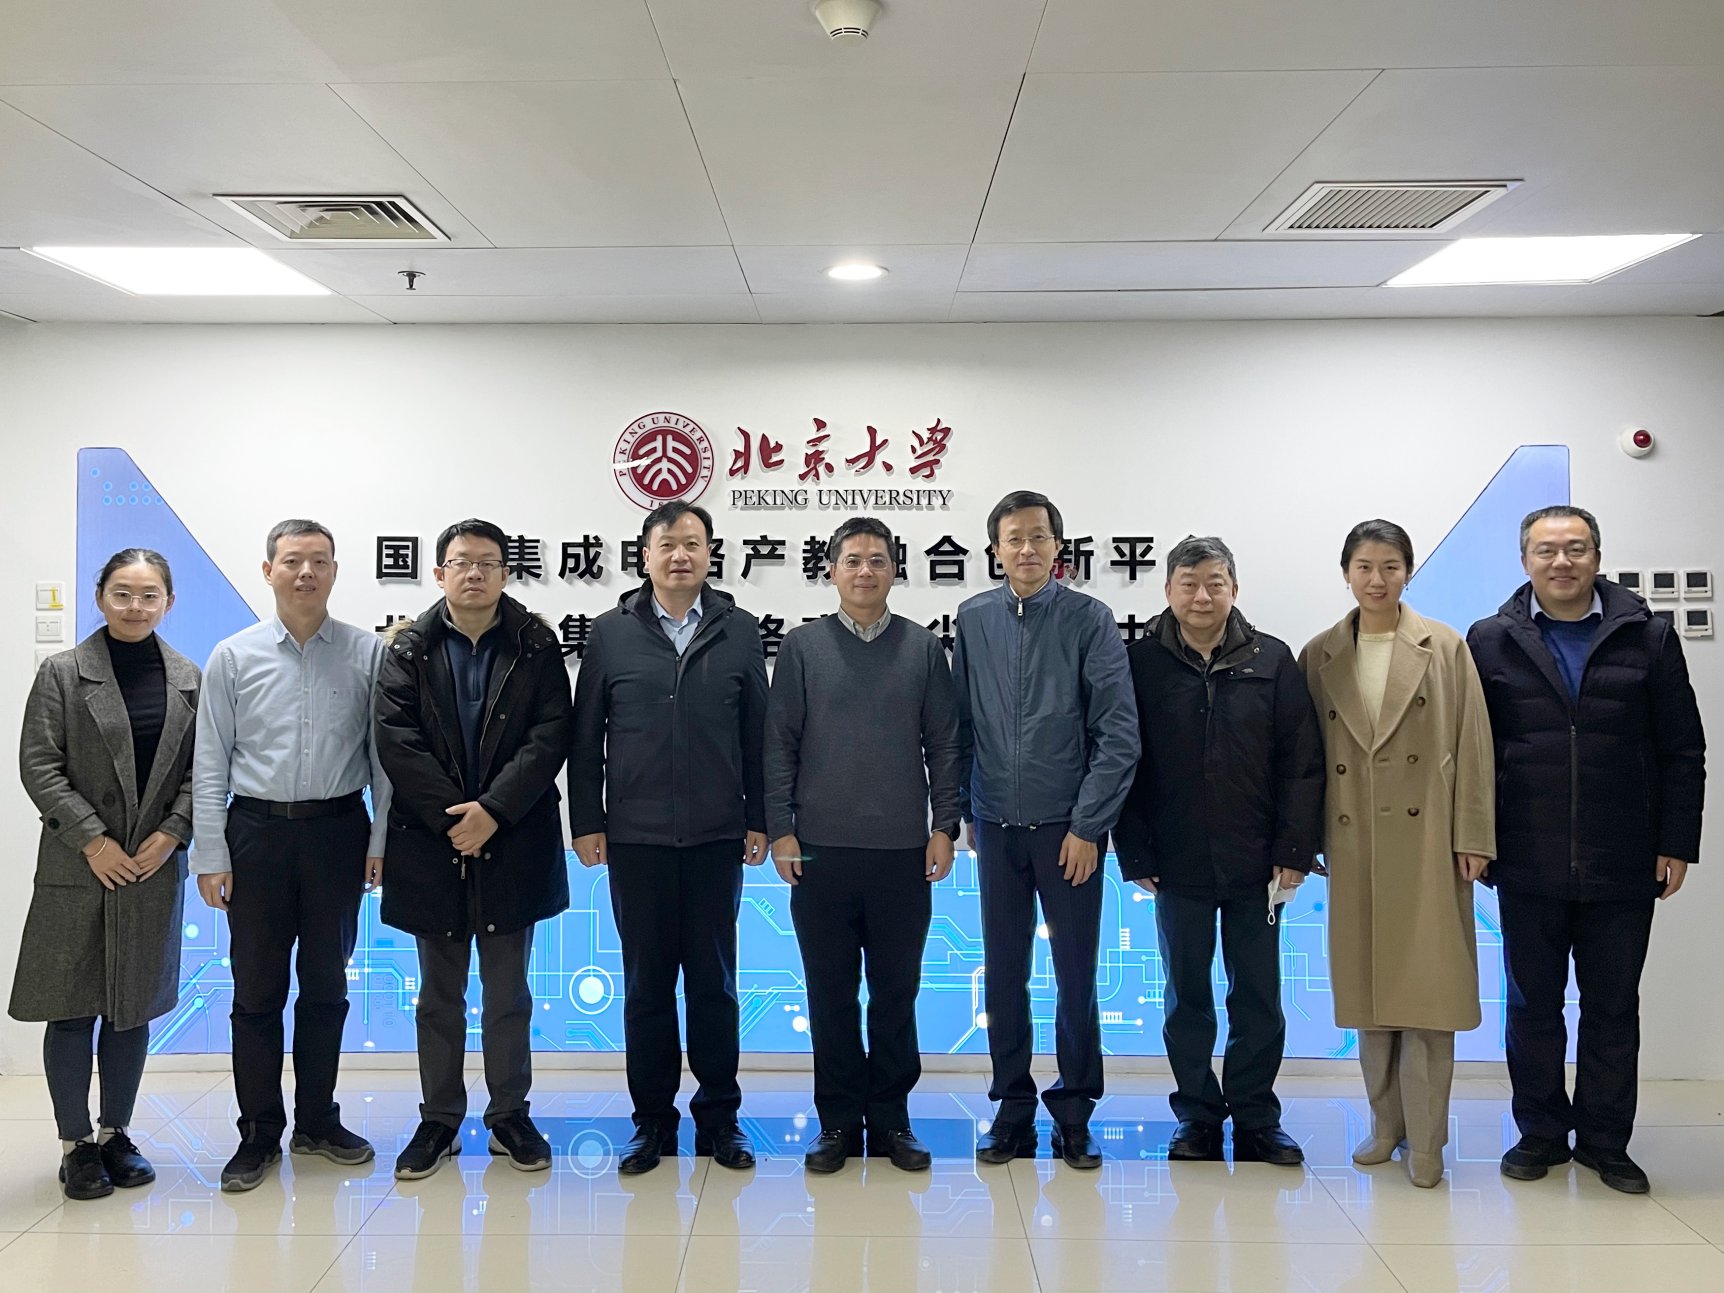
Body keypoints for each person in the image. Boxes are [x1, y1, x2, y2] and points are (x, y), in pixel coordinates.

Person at [1469, 505, 1705, 1194]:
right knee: (1531, 1005)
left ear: (1597, 557)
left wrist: (1676, 841)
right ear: (1525, 561)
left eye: (1576, 548)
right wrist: (1475, 839)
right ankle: (1540, 1133)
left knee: (1612, 1006)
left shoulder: (1648, 635)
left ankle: (1605, 1141)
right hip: (1526, 855)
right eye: (1547, 550)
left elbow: (1682, 748)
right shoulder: (1490, 640)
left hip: (1623, 855)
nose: (1562, 561)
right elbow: (1472, 752)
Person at [569, 500, 769, 1175]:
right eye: (667, 544)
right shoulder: (610, 633)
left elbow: (757, 734)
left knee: (715, 984)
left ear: (710, 554)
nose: (680, 555)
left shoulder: (740, 630)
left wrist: (760, 818)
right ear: (645, 555)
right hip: (637, 838)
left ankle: (720, 1118)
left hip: (716, 836)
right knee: (646, 986)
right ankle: (651, 1120)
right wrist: (587, 821)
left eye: (693, 544)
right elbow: (586, 737)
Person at [192, 520, 391, 1192]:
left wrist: (380, 840)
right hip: (255, 835)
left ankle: (317, 1121)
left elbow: (383, 758)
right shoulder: (233, 656)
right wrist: (210, 852)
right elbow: (210, 760)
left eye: (319, 561)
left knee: (327, 985)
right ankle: (257, 1131)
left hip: (338, 831)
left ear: (334, 570)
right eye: (292, 560)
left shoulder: (367, 653)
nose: (306, 572)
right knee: (256, 991)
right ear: (268, 569)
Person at [1113, 535, 1323, 1167]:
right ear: (1168, 590)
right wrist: (1135, 851)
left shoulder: (1273, 659)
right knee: (1186, 996)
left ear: (1234, 589)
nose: (1202, 596)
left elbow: (1301, 762)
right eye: (1189, 583)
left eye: (1215, 583)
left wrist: (1294, 848)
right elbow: (1123, 760)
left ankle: (1257, 1117)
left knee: (1257, 994)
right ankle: (1198, 1116)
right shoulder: (1140, 663)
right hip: (1176, 860)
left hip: (1257, 860)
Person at [1299, 520, 1495, 1188]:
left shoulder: (1444, 645)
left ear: (1407, 571)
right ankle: (1386, 1127)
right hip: (1352, 841)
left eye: (1389, 566)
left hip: (1429, 841)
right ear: (1346, 573)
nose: (1376, 579)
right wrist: (1304, 838)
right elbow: (1303, 759)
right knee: (1369, 997)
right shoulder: (1321, 652)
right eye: (1364, 566)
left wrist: (1473, 835)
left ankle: (1429, 1139)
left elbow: (1473, 742)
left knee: (1428, 996)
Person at [374, 518, 572, 1180]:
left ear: (506, 572)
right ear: (439, 573)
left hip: (511, 837)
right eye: (462, 562)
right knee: (439, 994)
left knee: (508, 992)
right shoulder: (406, 647)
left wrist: (493, 810)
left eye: (488, 562)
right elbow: (396, 738)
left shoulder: (536, 643)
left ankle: (509, 1115)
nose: (475, 573)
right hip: (434, 843)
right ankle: (439, 1119)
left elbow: (551, 733)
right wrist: (454, 817)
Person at [766, 517, 963, 1174]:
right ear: (831, 570)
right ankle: (837, 1122)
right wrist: (781, 827)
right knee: (830, 993)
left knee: (895, 992)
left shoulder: (922, 648)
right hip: (819, 850)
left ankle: (892, 1118)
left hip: (901, 851)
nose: (865, 571)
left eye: (877, 559)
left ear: (894, 570)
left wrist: (944, 825)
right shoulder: (802, 647)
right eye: (852, 560)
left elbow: (945, 743)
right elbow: (779, 744)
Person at [951, 489, 1139, 1170]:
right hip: (997, 827)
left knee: (1075, 974)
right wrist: (967, 811)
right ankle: (1012, 1106)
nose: (1026, 549)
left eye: (1038, 536)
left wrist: (1089, 825)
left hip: (1068, 830)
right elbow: (960, 724)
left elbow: (1118, 732)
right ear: (995, 550)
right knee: (1003, 972)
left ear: (1059, 547)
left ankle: (1075, 1110)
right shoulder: (973, 618)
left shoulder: (1090, 619)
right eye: (1013, 538)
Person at [12, 550, 199, 1200]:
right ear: (100, 597)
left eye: (149, 595)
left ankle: (116, 1133)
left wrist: (172, 833)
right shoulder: (63, 673)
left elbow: (204, 771)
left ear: (168, 602)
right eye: (122, 593)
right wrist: (93, 840)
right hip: (78, 865)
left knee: (130, 1009)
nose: (135, 606)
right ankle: (76, 1145)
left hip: (150, 868)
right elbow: (39, 763)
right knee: (70, 1008)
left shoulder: (189, 679)